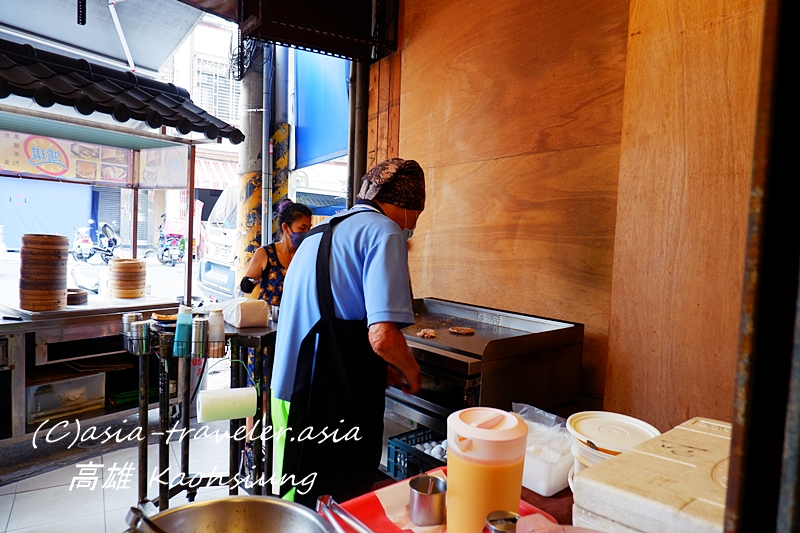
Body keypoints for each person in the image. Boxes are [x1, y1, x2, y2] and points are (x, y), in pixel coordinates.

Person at [271, 158, 425, 507]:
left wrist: (374, 367)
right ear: (406, 205)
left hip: (288, 393)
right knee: (339, 507)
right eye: (417, 214)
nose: (414, 224)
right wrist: (411, 371)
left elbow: (330, 312)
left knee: (299, 505)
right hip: (326, 403)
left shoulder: (317, 235)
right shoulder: (385, 232)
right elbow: (382, 336)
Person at [239, 199, 312, 474]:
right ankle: (251, 447)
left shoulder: (306, 253)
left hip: (296, 331)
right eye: (302, 227)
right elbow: (246, 286)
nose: (306, 232)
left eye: (309, 227)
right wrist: (250, 281)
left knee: (289, 392)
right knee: (259, 393)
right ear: (286, 227)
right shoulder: (265, 254)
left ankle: (284, 446)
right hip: (268, 333)